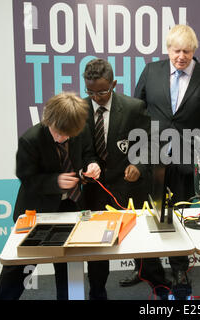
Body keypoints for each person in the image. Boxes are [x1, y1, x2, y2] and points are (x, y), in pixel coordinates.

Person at [133, 24, 200, 299]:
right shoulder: (151, 71)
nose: (181, 57)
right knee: (150, 213)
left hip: (187, 159)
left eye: (186, 51)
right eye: (176, 51)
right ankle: (146, 268)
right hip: (152, 155)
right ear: (168, 49)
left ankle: (180, 269)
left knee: (181, 214)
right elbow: (136, 109)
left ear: (194, 51)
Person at [0, 92, 101, 300]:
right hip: (37, 210)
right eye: (59, 133)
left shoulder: (80, 129)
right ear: (48, 120)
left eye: (69, 134)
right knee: (18, 271)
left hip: (72, 207)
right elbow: (27, 178)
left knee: (68, 271)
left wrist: (91, 165)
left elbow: (88, 154)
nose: (63, 138)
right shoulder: (30, 139)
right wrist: (55, 182)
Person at [81, 58, 153, 297]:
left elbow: (149, 143)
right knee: (96, 251)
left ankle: (154, 284)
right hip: (94, 190)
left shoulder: (134, 107)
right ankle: (97, 291)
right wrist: (88, 164)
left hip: (128, 189)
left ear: (113, 84)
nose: (96, 97)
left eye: (102, 91)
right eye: (90, 91)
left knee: (140, 247)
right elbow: (79, 148)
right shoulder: (80, 109)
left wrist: (139, 165)